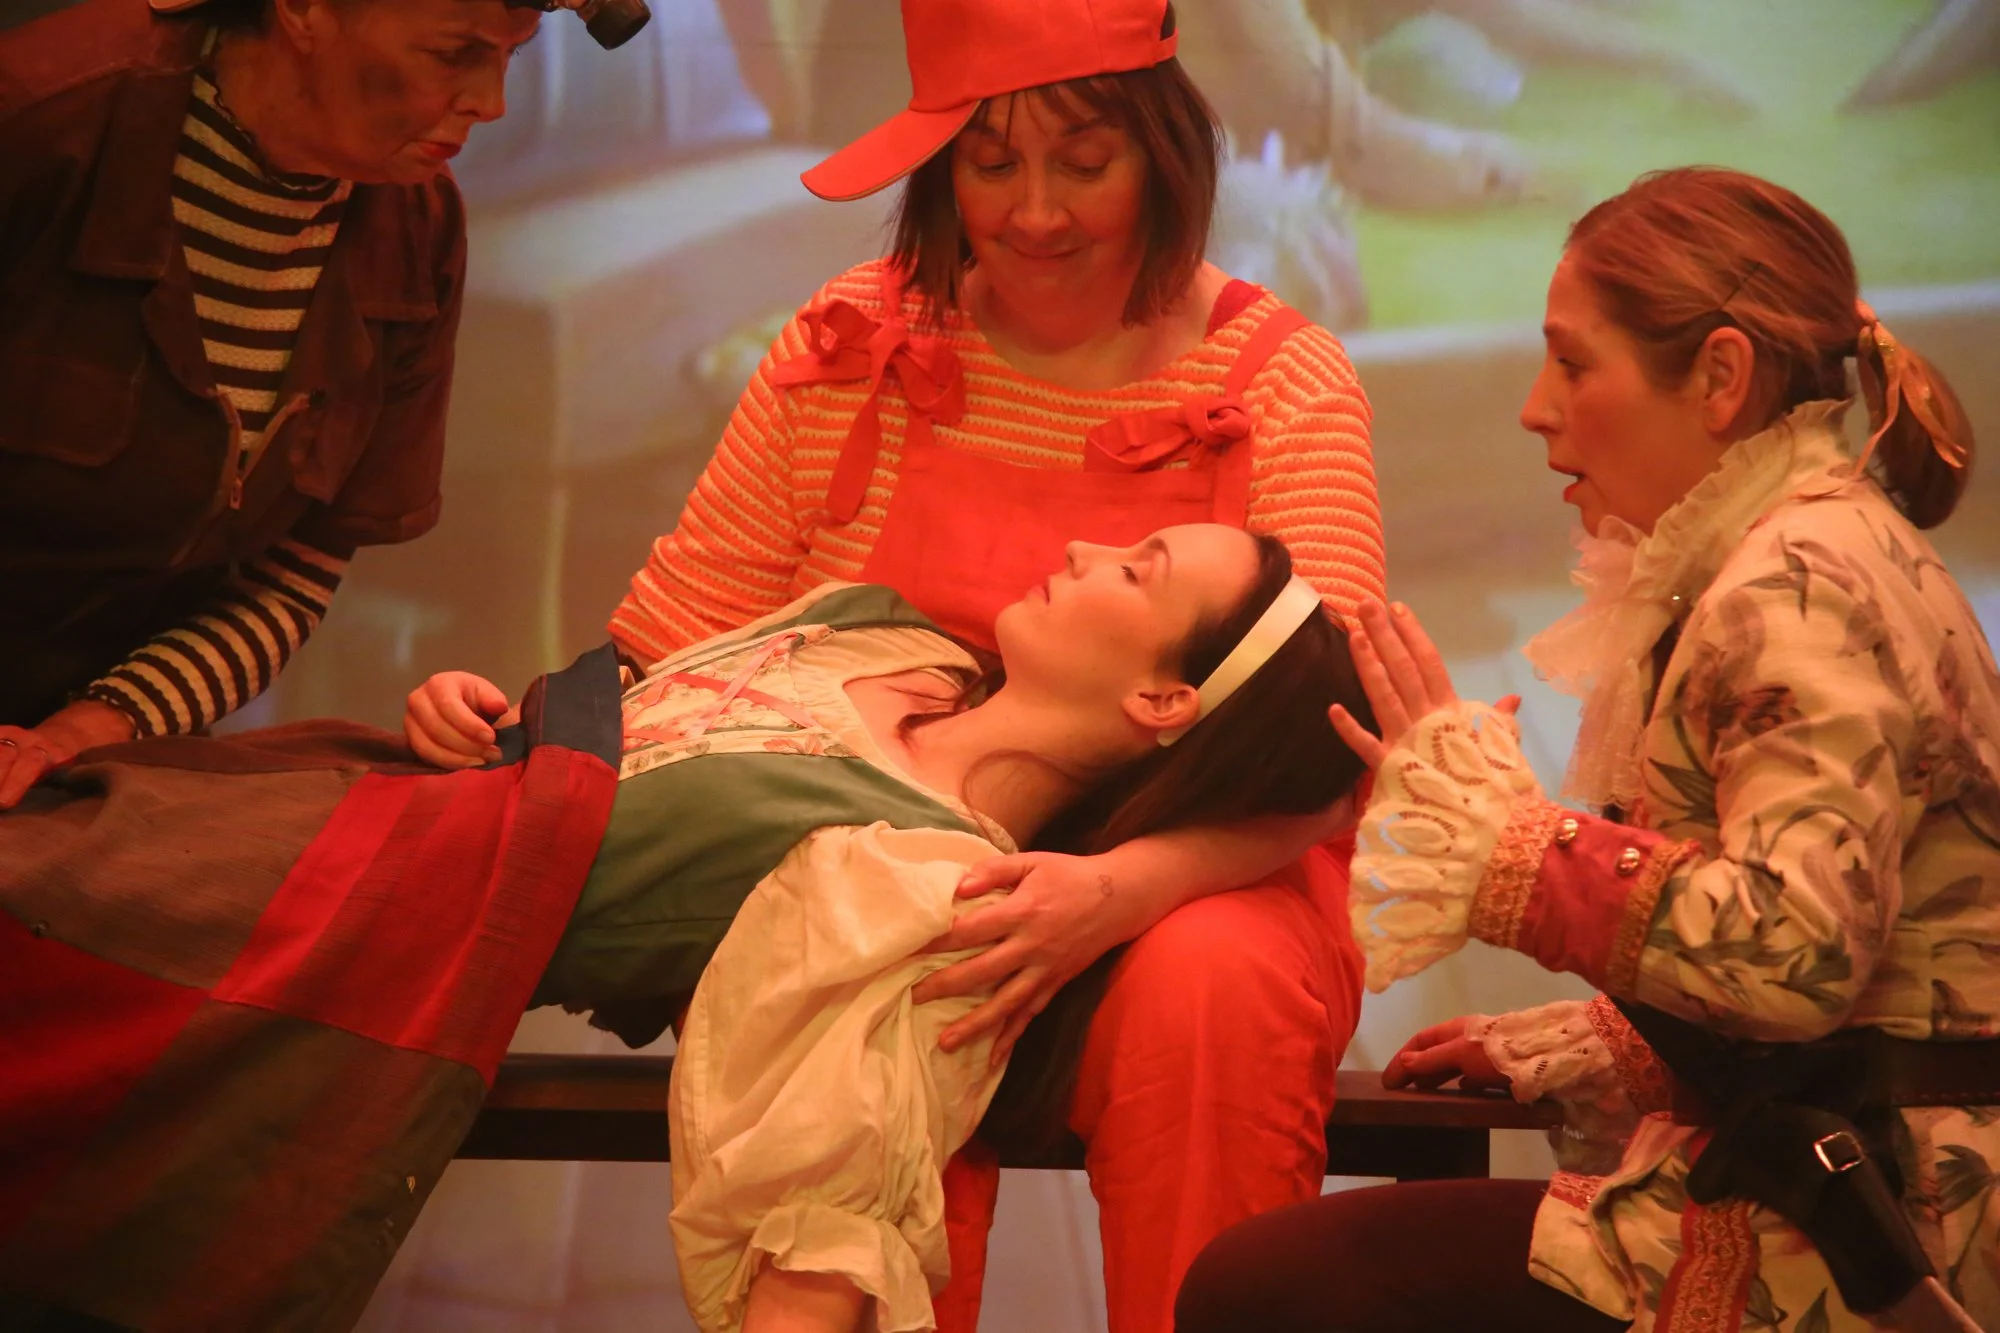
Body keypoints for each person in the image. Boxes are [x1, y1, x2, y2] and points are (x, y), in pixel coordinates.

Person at [0, 522, 1372, 1333]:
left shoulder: (916, 881)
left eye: (1134, 573)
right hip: (330, 795)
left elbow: (823, 1216)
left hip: (335, 923)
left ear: (1163, 703)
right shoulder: (879, 636)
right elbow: (622, 730)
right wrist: (490, 723)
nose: (1083, 547)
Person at [609, 2, 1387, 1325]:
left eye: (1083, 163)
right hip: (875, 866)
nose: (1036, 213)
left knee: (1217, 988)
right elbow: (674, 649)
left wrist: (1113, 889)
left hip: (1199, 873)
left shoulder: (1283, 385)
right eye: (990, 164)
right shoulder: (849, 345)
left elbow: (1335, 758)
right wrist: (528, 739)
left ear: (1165, 156)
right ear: (937, 173)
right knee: (888, 959)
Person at [1175, 167, 1999, 1333]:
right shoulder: (1794, 550)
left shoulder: (1798, 578)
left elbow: (1798, 952)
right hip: (1824, 1171)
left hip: (1873, 1226)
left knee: (1277, 1290)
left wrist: (1514, 851)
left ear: (1718, 376)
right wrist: (1604, 1045)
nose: (1533, 406)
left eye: (1571, 361)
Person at [0, 0, 571, 808]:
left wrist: (87, 729)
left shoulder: (418, 226)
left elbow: (293, 575)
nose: (491, 100)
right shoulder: (38, 120)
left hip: (93, 748)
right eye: (454, 52)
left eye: (511, 55)